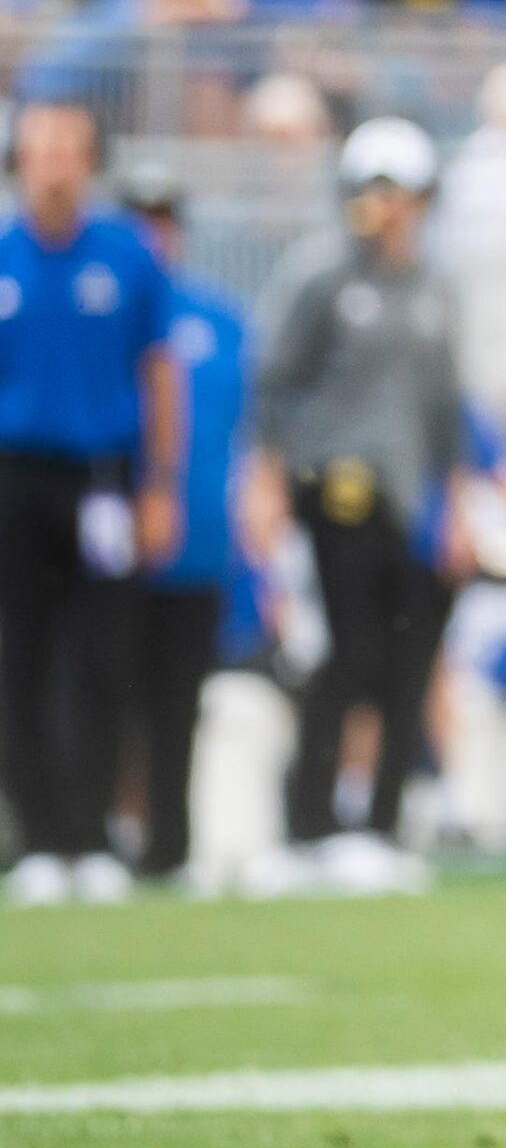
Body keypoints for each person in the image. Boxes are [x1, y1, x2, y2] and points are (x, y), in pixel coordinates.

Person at [251, 117, 467, 865]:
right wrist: (267, 480)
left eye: (403, 192)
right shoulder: (322, 275)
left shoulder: (436, 288)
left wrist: (458, 507)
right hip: (337, 484)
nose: (389, 208)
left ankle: (380, 824)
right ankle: (310, 826)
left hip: (412, 501)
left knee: (406, 663)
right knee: (348, 651)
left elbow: (448, 411)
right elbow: (274, 383)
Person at [0, 102, 184, 904]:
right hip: (13, 477)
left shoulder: (127, 257)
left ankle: (92, 832)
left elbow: (160, 372)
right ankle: (38, 838)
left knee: (99, 660)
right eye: (41, 149)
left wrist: (160, 485)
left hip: (101, 477)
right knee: (18, 660)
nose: (54, 163)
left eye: (70, 148)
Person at [122, 167, 253, 881]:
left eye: (164, 218)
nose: (153, 232)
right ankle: (94, 836)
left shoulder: (221, 319)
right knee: (103, 694)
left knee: (179, 702)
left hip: (201, 541)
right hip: (110, 544)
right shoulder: (104, 308)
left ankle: (169, 845)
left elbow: (253, 432)